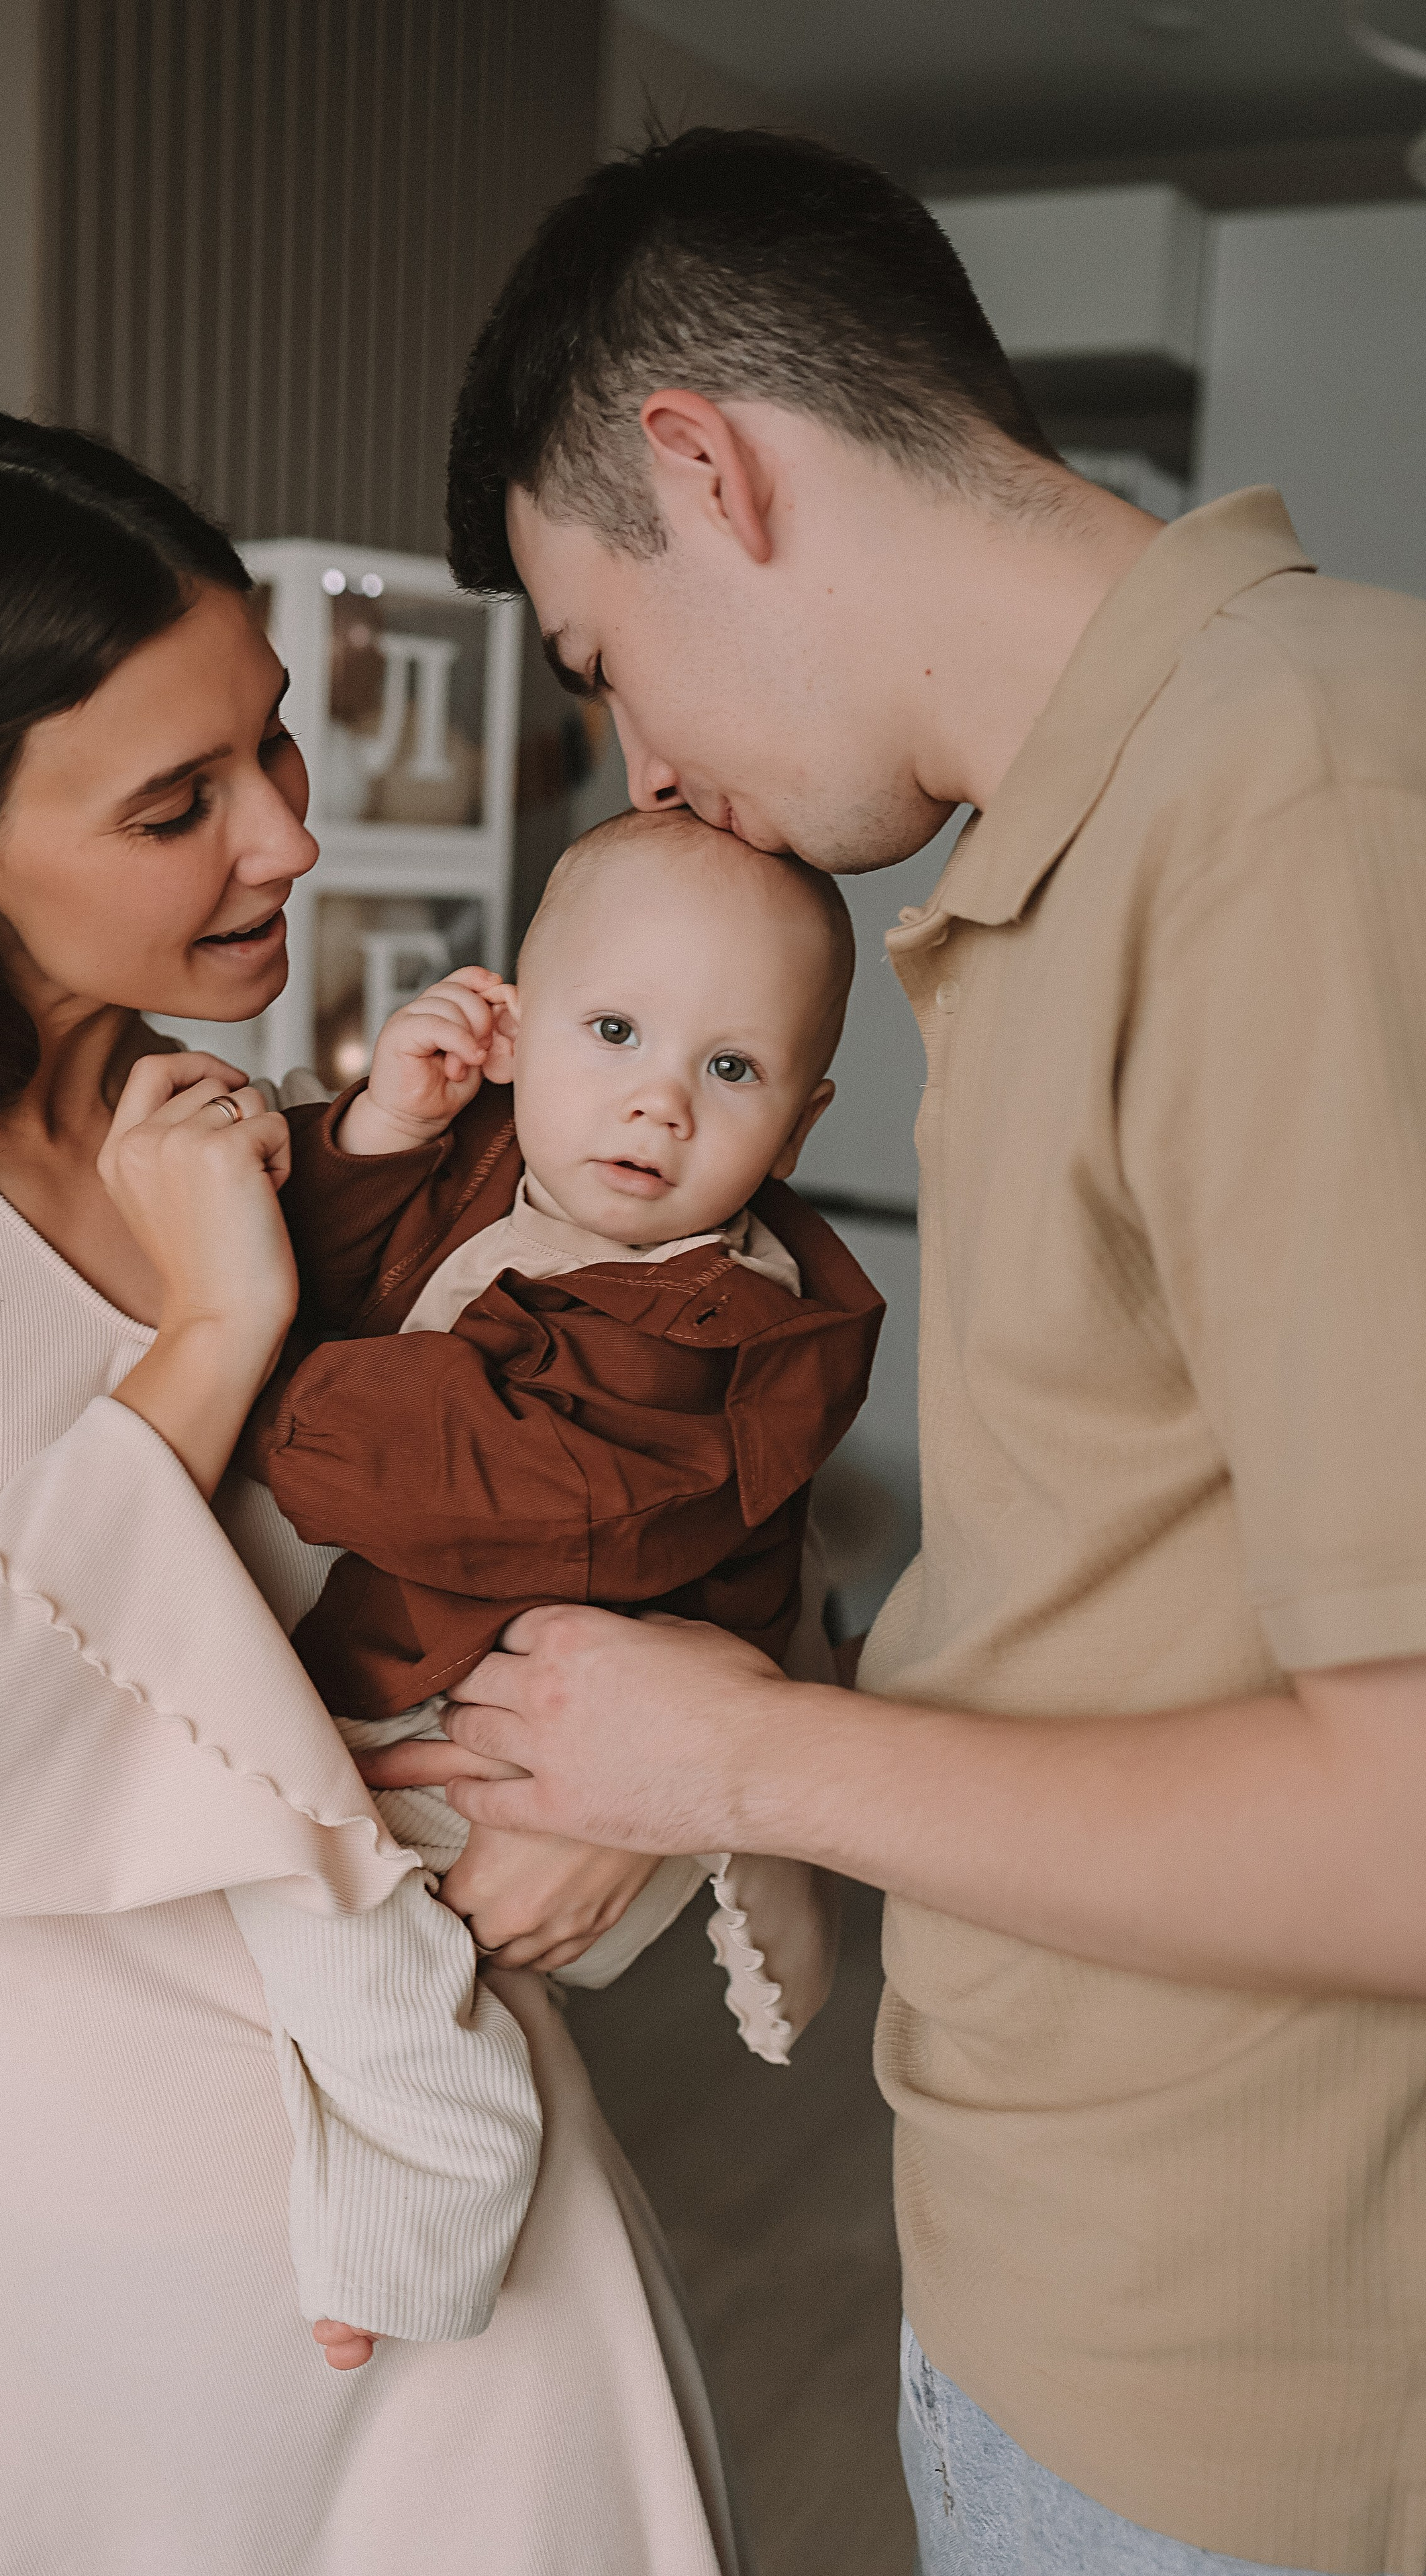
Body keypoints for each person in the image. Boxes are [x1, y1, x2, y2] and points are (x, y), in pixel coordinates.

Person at [366, 129, 1426, 2576]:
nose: (639, 769)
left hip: (1225, 2377)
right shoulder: (1105, 839)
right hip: (1056, 2262)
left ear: (704, 468)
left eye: (603, 657)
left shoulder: (1298, 811)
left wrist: (741, 1751)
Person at [0, 402, 750, 2574]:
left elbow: (679, 1455)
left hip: (429, 2209)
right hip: (12, 2274)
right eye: (181, 803)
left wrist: (622, 1788)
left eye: (273, 745)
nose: (288, 839)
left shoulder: (309, 1129)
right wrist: (201, 1342)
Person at [236, 810, 882, 2359]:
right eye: (612, 1032)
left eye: (729, 1072)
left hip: (539, 1740)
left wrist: (243, 1391)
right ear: (514, 1033)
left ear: (796, 1127)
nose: (656, 1100)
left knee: (306, 1895)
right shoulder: (490, 1165)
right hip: (450, 1674)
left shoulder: (710, 1321)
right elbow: (325, 1263)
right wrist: (381, 1132)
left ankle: (437, 2173)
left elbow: (485, 1474)